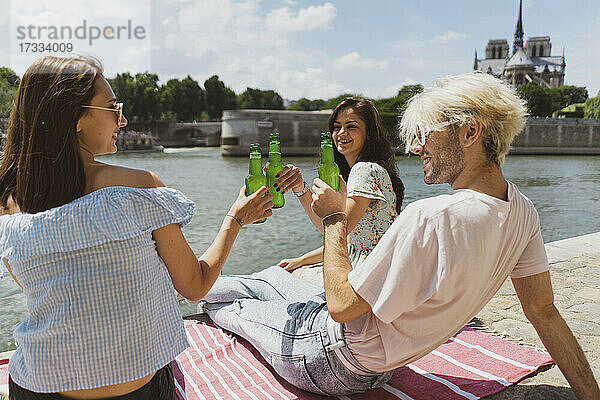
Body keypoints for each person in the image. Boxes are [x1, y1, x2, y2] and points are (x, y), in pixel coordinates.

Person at [201, 71, 600, 399]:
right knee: (269, 280)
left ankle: (186, 286)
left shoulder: (430, 216)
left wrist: (335, 220)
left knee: (225, 304)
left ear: (469, 132)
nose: (414, 147)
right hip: (382, 364)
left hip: (328, 357)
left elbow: (341, 308)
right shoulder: (523, 211)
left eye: (426, 133)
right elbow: (543, 311)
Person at [0, 55, 272, 399]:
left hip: (34, 385)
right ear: (75, 117)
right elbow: (195, 286)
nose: (123, 119)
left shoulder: (8, 200)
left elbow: (42, 288)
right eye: (113, 108)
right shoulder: (138, 187)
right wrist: (235, 220)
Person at [275, 97, 404, 286]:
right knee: (294, 271)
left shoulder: (364, 170)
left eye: (351, 127)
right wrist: (301, 260)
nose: (341, 133)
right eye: (337, 127)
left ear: (368, 133)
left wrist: (301, 190)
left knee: (281, 280)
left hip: (371, 272)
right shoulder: (366, 169)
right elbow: (351, 242)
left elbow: (337, 232)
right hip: (384, 266)